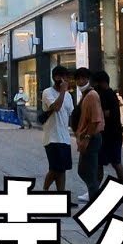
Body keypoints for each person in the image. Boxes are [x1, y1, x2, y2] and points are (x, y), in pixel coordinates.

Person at [39, 66, 76, 196]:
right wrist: (62, 92)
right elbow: (56, 107)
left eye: (66, 77)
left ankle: (62, 196)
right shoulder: (47, 92)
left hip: (64, 137)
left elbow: (71, 114)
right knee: (55, 168)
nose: (64, 79)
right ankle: (45, 191)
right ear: (55, 78)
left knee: (62, 169)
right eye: (61, 76)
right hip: (52, 137)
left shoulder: (68, 96)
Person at [74, 70, 105, 204]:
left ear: (89, 79)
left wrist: (87, 138)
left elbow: (95, 120)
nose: (81, 82)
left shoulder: (92, 95)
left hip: (91, 137)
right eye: (78, 79)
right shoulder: (85, 95)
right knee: (83, 170)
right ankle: (93, 192)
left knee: (89, 171)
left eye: (84, 79)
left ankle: (94, 198)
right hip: (85, 137)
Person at [93, 71, 123, 184]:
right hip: (112, 134)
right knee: (105, 163)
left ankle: (96, 189)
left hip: (110, 135)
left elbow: (106, 113)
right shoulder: (111, 94)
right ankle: (95, 189)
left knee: (114, 163)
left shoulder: (106, 95)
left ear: (101, 82)